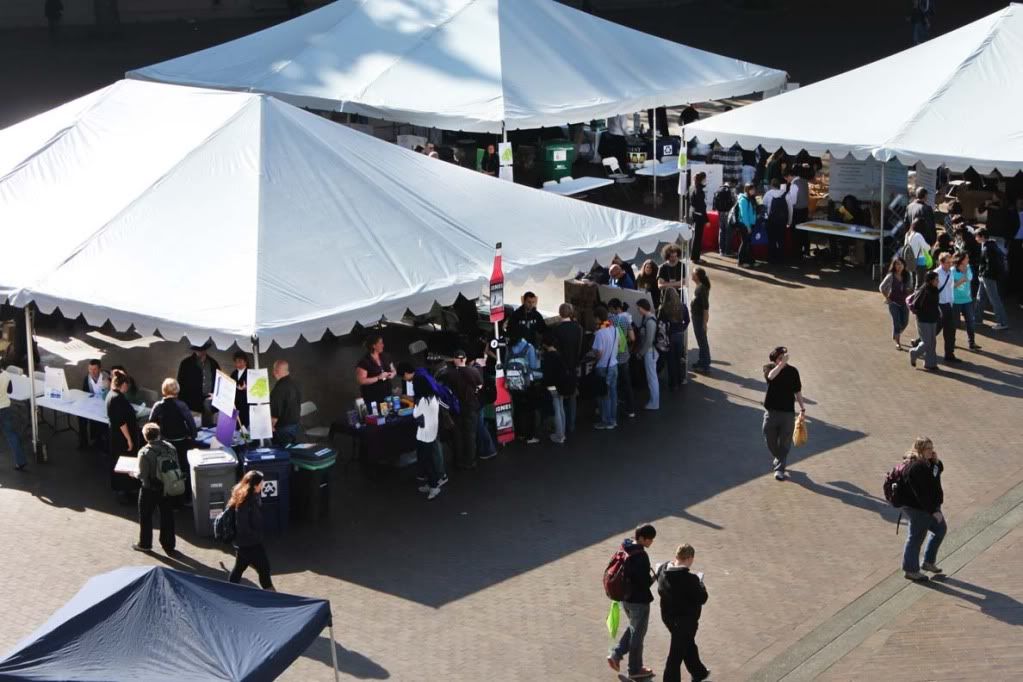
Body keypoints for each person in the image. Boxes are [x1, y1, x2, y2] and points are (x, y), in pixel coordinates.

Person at [607, 524, 657, 680]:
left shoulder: (626, 546)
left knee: (635, 628)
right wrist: (656, 575)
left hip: (625, 598)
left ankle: (617, 654)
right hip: (638, 602)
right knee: (638, 635)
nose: (651, 542)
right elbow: (644, 583)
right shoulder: (641, 556)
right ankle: (634, 669)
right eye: (649, 539)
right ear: (641, 538)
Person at [656, 544, 710, 682]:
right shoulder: (690, 580)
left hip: (669, 617)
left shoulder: (663, 569)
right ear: (690, 558)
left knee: (687, 645)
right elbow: (702, 598)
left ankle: (699, 672)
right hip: (685, 621)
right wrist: (700, 583)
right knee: (675, 656)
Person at [900, 437, 946, 581]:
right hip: (918, 508)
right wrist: (934, 511)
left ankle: (928, 562)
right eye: (928, 449)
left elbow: (936, 474)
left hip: (928, 507)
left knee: (940, 530)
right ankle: (911, 570)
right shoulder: (916, 467)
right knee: (916, 538)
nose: (931, 451)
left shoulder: (927, 463)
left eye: (932, 448)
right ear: (920, 450)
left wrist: (936, 462)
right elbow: (922, 494)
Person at [149, 378, 198, 502]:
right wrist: (193, 436)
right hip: (181, 443)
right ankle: (185, 498)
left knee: (167, 470)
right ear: (176, 391)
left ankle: (168, 496)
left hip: (165, 443)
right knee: (183, 469)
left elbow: (150, 424)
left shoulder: (158, 406)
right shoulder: (181, 405)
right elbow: (191, 423)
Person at [131, 423, 177, 554]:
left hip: (149, 489)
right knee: (167, 516)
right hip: (168, 486)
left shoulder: (145, 452)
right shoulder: (170, 448)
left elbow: (142, 474)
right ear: (159, 434)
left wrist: (133, 473)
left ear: (146, 437)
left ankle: (145, 544)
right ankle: (168, 544)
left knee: (146, 516)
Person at [762, 346, 805, 481]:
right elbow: (771, 377)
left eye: (785, 357)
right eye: (780, 358)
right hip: (772, 412)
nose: (784, 360)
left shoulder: (793, 372)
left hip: (787, 413)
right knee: (769, 438)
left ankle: (780, 469)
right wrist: (781, 365)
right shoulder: (769, 368)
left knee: (785, 442)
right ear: (775, 360)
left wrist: (802, 409)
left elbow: (797, 391)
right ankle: (778, 457)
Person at [227, 470, 275, 590]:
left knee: (239, 568)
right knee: (264, 568)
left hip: (244, 543)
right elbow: (243, 526)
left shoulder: (251, 496)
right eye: (261, 482)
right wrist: (256, 536)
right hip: (250, 543)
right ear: (254, 485)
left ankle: (228, 591)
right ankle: (272, 596)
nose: (263, 484)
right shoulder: (244, 503)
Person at [440, 350, 483, 468]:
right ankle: (470, 461)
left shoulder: (449, 374)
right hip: (471, 406)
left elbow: (444, 388)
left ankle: (458, 460)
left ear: (455, 360)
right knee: (470, 434)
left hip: (456, 407)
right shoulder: (474, 371)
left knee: (458, 435)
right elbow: (480, 386)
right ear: (465, 359)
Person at [552, 304, 583, 434]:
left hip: (560, 368)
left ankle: (561, 426)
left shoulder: (556, 329)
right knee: (572, 396)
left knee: (559, 398)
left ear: (560, 313)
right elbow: (581, 348)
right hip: (574, 366)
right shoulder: (579, 328)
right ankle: (571, 424)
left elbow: (554, 350)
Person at [107, 372, 139, 495]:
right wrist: (129, 439)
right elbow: (121, 422)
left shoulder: (111, 395)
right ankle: (124, 490)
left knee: (117, 460)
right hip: (121, 438)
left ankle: (122, 488)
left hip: (115, 435)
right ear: (123, 384)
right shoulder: (118, 398)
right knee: (124, 462)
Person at [413, 374, 443, 500]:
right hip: (433, 431)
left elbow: (415, 415)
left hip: (424, 434)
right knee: (430, 460)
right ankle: (431, 484)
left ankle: (434, 487)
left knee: (427, 462)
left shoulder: (422, 401)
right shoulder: (434, 397)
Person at [507, 333, 541, 444]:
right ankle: (530, 436)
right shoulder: (529, 347)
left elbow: (505, 364)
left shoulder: (510, 347)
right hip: (527, 382)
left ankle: (519, 434)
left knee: (517, 408)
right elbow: (534, 366)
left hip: (513, 383)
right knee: (530, 409)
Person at [974, 227, 1010, 330]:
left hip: (987, 277)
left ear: (981, 237)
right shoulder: (990, 245)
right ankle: (977, 318)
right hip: (986, 276)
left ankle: (1002, 322)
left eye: (977, 236)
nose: (975, 238)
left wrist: (983, 273)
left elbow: (990, 265)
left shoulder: (987, 248)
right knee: (980, 297)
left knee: (994, 299)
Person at [177, 343, 220, 426]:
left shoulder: (213, 363)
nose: (200, 352)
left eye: (202, 350)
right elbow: (180, 383)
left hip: (209, 401)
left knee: (208, 425)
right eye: (198, 350)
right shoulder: (186, 364)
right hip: (192, 402)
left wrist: (216, 396)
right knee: (194, 425)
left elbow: (219, 381)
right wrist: (181, 403)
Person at [608, 299, 636, 419]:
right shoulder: (625, 319)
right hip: (624, 356)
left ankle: (612, 407)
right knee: (626, 383)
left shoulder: (609, 321)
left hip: (613, 358)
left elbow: (600, 331)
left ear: (615, 308)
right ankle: (630, 410)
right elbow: (633, 338)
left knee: (612, 384)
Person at [592, 306, 618, 430]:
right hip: (614, 365)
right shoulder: (614, 329)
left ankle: (606, 421)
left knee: (604, 396)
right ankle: (613, 419)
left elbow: (599, 353)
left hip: (603, 367)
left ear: (598, 318)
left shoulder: (599, 333)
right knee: (613, 394)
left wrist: (595, 358)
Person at [909, 271, 941, 371]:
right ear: (930, 280)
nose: (938, 281)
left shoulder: (935, 289)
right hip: (923, 320)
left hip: (933, 319)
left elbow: (935, 303)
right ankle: (914, 352)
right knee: (927, 342)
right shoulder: (924, 290)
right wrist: (925, 311)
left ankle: (930, 364)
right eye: (936, 279)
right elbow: (916, 305)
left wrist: (938, 312)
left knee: (933, 342)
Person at [659, 288, 689, 389]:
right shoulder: (683, 306)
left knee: (671, 360)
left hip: (669, 336)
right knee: (679, 358)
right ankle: (680, 379)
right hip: (680, 335)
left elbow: (660, 323)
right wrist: (682, 328)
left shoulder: (663, 308)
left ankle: (673, 383)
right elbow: (687, 320)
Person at [932, 252, 959, 364]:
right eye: (948, 262)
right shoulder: (936, 273)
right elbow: (932, 292)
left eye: (951, 262)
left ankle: (949, 354)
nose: (950, 264)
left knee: (951, 331)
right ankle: (920, 344)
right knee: (935, 330)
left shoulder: (950, 272)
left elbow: (951, 287)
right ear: (941, 262)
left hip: (949, 305)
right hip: (940, 306)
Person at [540, 334, 568, 444]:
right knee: (561, 408)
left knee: (556, 408)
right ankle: (563, 433)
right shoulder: (559, 354)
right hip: (561, 385)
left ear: (545, 344)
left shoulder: (548, 356)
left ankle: (559, 435)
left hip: (552, 386)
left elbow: (547, 374)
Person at [880, 257, 912, 350]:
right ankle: (898, 342)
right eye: (897, 264)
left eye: (901, 264)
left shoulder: (908, 275)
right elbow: (881, 287)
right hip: (893, 302)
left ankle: (896, 334)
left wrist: (909, 290)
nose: (899, 266)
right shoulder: (891, 276)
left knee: (905, 322)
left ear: (904, 265)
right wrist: (887, 298)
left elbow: (910, 287)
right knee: (896, 322)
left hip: (905, 302)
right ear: (894, 265)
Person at [356, 334, 396, 407]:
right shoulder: (364, 362)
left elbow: (393, 369)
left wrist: (392, 374)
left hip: (387, 392)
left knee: (389, 412)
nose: (383, 345)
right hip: (372, 396)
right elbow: (361, 380)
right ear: (374, 346)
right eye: (380, 343)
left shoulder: (386, 356)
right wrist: (378, 378)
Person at [78, 358, 110, 450]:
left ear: (100, 369)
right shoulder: (87, 378)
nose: (92, 372)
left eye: (95, 369)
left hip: (105, 403)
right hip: (93, 403)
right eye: (90, 369)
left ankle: (101, 441)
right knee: (81, 417)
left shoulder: (107, 377)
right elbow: (85, 393)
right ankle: (83, 442)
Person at [952, 252, 981, 351]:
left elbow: (970, 278)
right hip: (955, 301)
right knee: (954, 323)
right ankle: (951, 342)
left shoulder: (968, 267)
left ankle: (972, 343)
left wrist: (959, 280)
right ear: (961, 260)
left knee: (970, 322)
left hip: (967, 300)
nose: (968, 259)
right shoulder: (952, 270)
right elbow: (952, 285)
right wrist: (962, 280)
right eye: (967, 258)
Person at [269, 360, 301, 446]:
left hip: (283, 429)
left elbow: (275, 413)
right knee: (292, 453)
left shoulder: (279, 389)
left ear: (276, 371)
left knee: (282, 455)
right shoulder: (295, 384)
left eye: (273, 369)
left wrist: (271, 427)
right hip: (295, 426)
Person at [635, 299, 659, 411]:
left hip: (650, 353)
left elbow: (649, 341)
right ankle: (654, 401)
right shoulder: (649, 319)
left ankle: (654, 402)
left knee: (652, 378)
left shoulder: (649, 321)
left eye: (638, 308)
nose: (638, 310)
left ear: (642, 307)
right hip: (650, 352)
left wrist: (640, 353)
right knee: (652, 378)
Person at [0, 371, 27, 471]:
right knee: (11, 435)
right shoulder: (6, 374)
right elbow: (10, 391)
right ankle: (20, 461)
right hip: (5, 408)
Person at [762, 177, 791, 264]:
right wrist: (789, 221)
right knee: (781, 240)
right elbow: (790, 209)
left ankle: (771, 258)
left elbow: (763, 207)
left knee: (771, 240)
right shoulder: (786, 194)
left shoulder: (768, 194)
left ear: (771, 185)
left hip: (770, 221)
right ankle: (781, 258)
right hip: (782, 221)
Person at [689, 268, 711, 372]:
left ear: (697, 276)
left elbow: (706, 307)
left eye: (693, 274)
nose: (691, 275)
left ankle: (704, 364)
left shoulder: (702, 288)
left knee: (702, 341)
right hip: (696, 317)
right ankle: (702, 361)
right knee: (701, 341)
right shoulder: (699, 286)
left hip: (699, 318)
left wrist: (704, 323)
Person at [903, 218, 932, 290]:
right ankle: (917, 298)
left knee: (913, 281)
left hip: (909, 260)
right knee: (920, 282)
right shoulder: (918, 235)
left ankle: (912, 296)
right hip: (920, 261)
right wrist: (930, 246)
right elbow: (926, 247)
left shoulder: (907, 234)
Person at [791, 164, 812, 258]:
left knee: (797, 231)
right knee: (804, 230)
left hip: (797, 210)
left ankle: (798, 251)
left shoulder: (795, 182)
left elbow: (793, 200)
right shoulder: (805, 181)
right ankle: (806, 249)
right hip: (805, 209)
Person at [687, 172, 708, 264]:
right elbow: (701, 206)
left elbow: (687, 199)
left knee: (695, 236)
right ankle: (695, 257)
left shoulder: (691, 187)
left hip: (693, 214)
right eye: (705, 179)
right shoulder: (699, 190)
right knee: (698, 237)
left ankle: (694, 256)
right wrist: (706, 219)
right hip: (699, 215)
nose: (705, 180)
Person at [736, 183, 758, 267]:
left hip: (750, 223)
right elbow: (744, 214)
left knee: (748, 243)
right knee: (745, 242)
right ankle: (740, 262)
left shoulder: (751, 198)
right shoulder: (743, 199)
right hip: (744, 224)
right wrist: (748, 226)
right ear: (747, 190)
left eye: (754, 189)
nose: (753, 191)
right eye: (751, 189)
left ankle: (750, 261)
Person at [713, 183, 736, 256]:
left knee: (721, 231)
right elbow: (734, 202)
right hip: (728, 213)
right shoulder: (729, 191)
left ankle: (721, 250)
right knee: (728, 231)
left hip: (720, 213)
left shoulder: (718, 190)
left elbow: (715, 203)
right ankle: (727, 251)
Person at [230, 351, 250, 429]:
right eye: (236, 362)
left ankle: (246, 440)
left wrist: (246, 388)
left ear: (245, 362)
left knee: (244, 426)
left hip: (245, 404)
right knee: (236, 425)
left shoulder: (250, 373)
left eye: (240, 361)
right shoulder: (234, 373)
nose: (238, 364)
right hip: (235, 403)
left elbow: (255, 389)